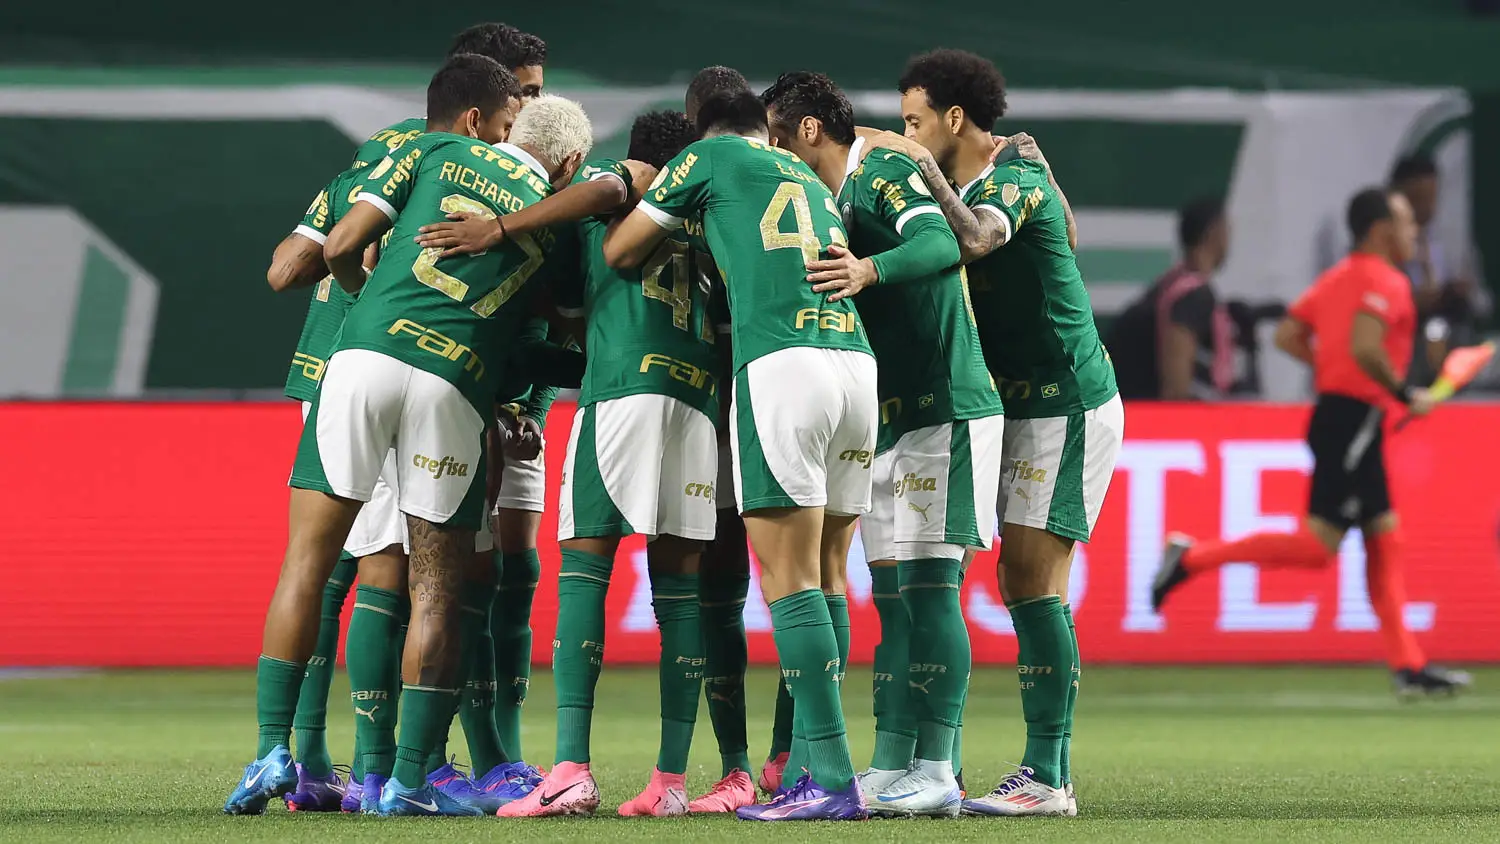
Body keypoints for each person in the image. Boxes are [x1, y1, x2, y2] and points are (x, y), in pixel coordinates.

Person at [223, 57, 590, 817]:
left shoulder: (428, 150)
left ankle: (270, 755)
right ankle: (407, 781)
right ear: (567, 159)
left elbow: (333, 248)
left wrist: (376, 309)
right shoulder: (558, 221)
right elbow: (561, 326)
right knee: (436, 589)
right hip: (453, 385)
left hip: (361, 363)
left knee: (309, 564)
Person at [602, 90, 876, 823]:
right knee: (827, 573)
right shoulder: (805, 174)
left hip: (783, 365)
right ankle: (813, 766)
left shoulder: (706, 156)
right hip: (855, 363)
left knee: (785, 575)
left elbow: (620, 249)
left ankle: (832, 779)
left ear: (699, 122)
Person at [865, 48, 1123, 817]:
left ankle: (1048, 777)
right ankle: (1047, 773)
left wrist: (914, 160)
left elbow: (976, 237)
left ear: (953, 119)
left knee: (1031, 579)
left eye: (915, 121)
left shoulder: (1010, 180)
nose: (908, 134)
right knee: (1022, 581)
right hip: (1014, 404)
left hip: (1067, 400)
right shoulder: (1008, 175)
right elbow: (1066, 234)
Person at [761, 71, 1004, 818]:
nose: (773, 155)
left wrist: (869, 268)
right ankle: (895, 760)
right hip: (889, 415)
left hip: (947, 406)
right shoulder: (824, 202)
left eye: (777, 138)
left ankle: (938, 765)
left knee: (932, 591)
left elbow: (941, 242)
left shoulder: (884, 168)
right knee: (894, 602)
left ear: (808, 132)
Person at [1152, 187, 1473, 698]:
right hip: (1354, 421)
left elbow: (1288, 337)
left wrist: (1333, 368)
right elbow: (1368, 349)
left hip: (1346, 417)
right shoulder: (1386, 281)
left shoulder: (1338, 278)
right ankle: (1190, 558)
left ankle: (1409, 666)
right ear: (1381, 229)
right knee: (1320, 547)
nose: (1414, 233)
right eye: (1407, 223)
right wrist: (1402, 392)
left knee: (1384, 538)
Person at [1388, 154, 1490, 386]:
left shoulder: (1453, 240)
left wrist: (1464, 291)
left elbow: (1482, 301)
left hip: (1453, 329)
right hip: (1406, 337)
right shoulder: (1384, 242)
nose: (1426, 207)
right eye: (1417, 199)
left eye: (1431, 197)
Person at [1152, 198, 1235, 400]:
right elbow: (1176, 383)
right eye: (1228, 230)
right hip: (1189, 422)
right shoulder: (1192, 295)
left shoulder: (1170, 284)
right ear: (1214, 232)